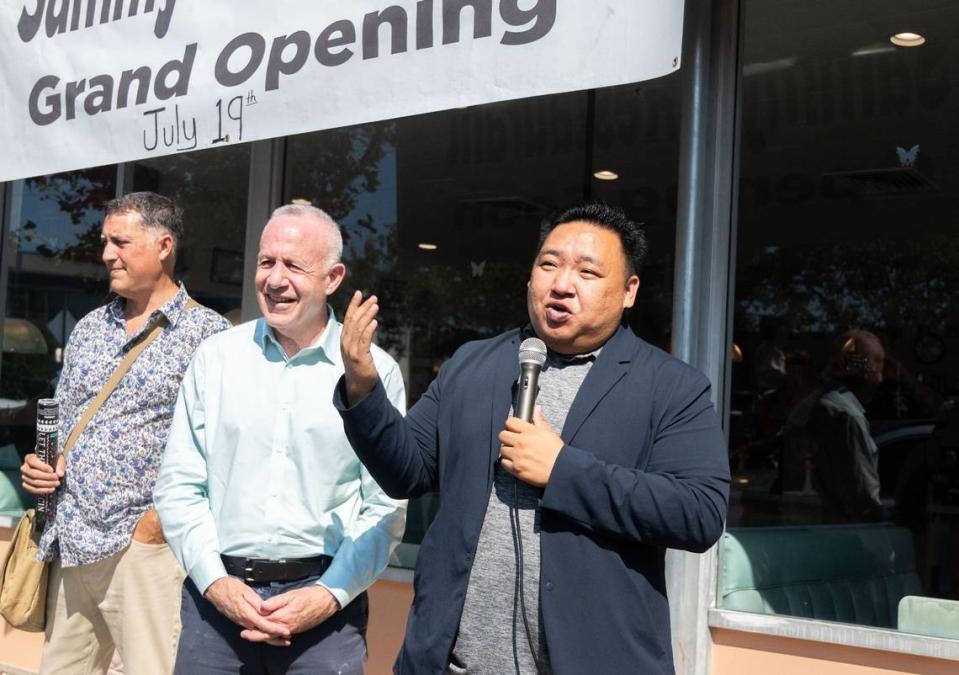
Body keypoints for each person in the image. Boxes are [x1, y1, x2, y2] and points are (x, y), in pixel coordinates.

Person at [336, 202, 730, 674]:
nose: (561, 284)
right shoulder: (472, 364)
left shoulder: (669, 385)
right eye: (549, 264)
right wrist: (363, 387)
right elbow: (407, 471)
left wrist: (563, 470)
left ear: (629, 292)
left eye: (587, 272)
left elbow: (700, 513)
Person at [154, 204, 406, 675]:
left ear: (333, 278)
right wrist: (215, 583)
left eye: (294, 265)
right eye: (266, 262)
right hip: (217, 609)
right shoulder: (216, 358)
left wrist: (327, 594)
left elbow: (386, 505)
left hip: (325, 615)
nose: (275, 279)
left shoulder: (374, 373)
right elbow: (179, 485)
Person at [19, 192, 230, 675]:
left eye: (120, 241)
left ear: (163, 245)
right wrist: (40, 464)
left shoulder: (208, 335)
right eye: (104, 242)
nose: (106, 254)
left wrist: (155, 526)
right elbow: (67, 421)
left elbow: (221, 448)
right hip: (71, 540)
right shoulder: (91, 327)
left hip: (143, 550)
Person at [783, 330, 886, 522]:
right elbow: (863, 498)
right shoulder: (847, 415)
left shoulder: (809, 406)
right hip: (840, 536)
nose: (881, 380)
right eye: (880, 370)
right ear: (868, 375)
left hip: (801, 531)